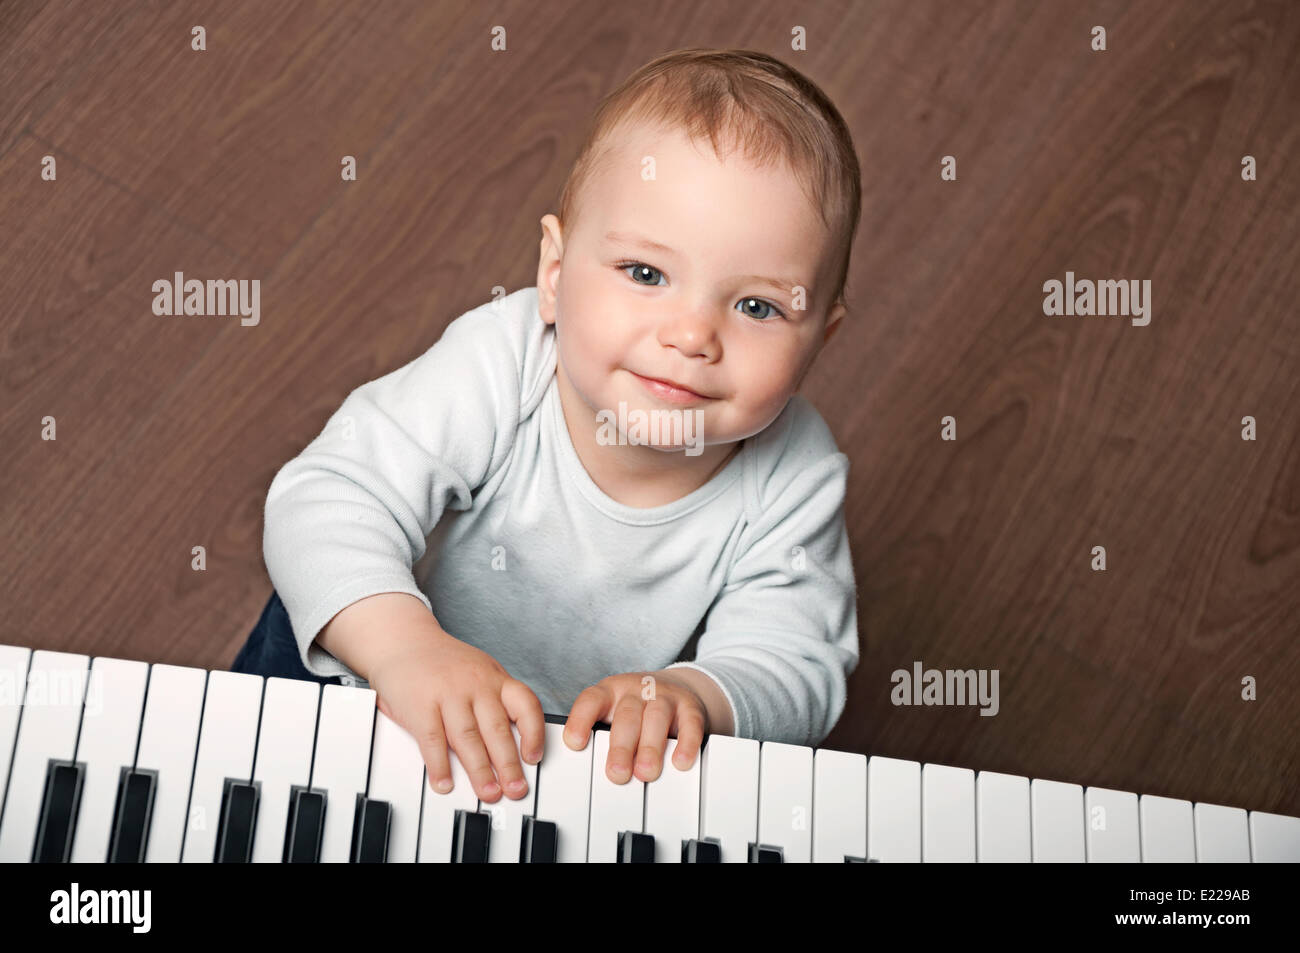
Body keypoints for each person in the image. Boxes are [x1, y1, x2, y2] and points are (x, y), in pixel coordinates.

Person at [233, 47, 861, 809]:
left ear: (819, 341)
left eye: (758, 307)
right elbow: (326, 498)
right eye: (646, 273)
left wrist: (697, 697)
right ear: (556, 274)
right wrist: (405, 646)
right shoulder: (505, 362)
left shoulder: (794, 475)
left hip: (564, 762)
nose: (693, 334)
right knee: (233, 794)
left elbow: (797, 664)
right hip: (373, 673)